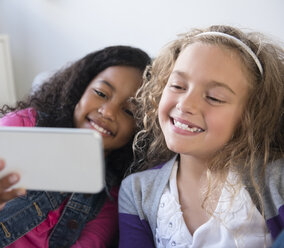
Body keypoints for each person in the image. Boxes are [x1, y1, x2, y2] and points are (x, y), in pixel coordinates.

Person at [0, 45, 151, 247]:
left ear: (139, 127)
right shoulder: (26, 124)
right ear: (80, 90)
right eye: (101, 93)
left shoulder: (111, 199)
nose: (107, 112)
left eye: (129, 111)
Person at [118, 25, 284, 247]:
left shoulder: (276, 180)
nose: (185, 104)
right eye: (177, 85)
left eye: (214, 97)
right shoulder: (137, 192)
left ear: (250, 116)